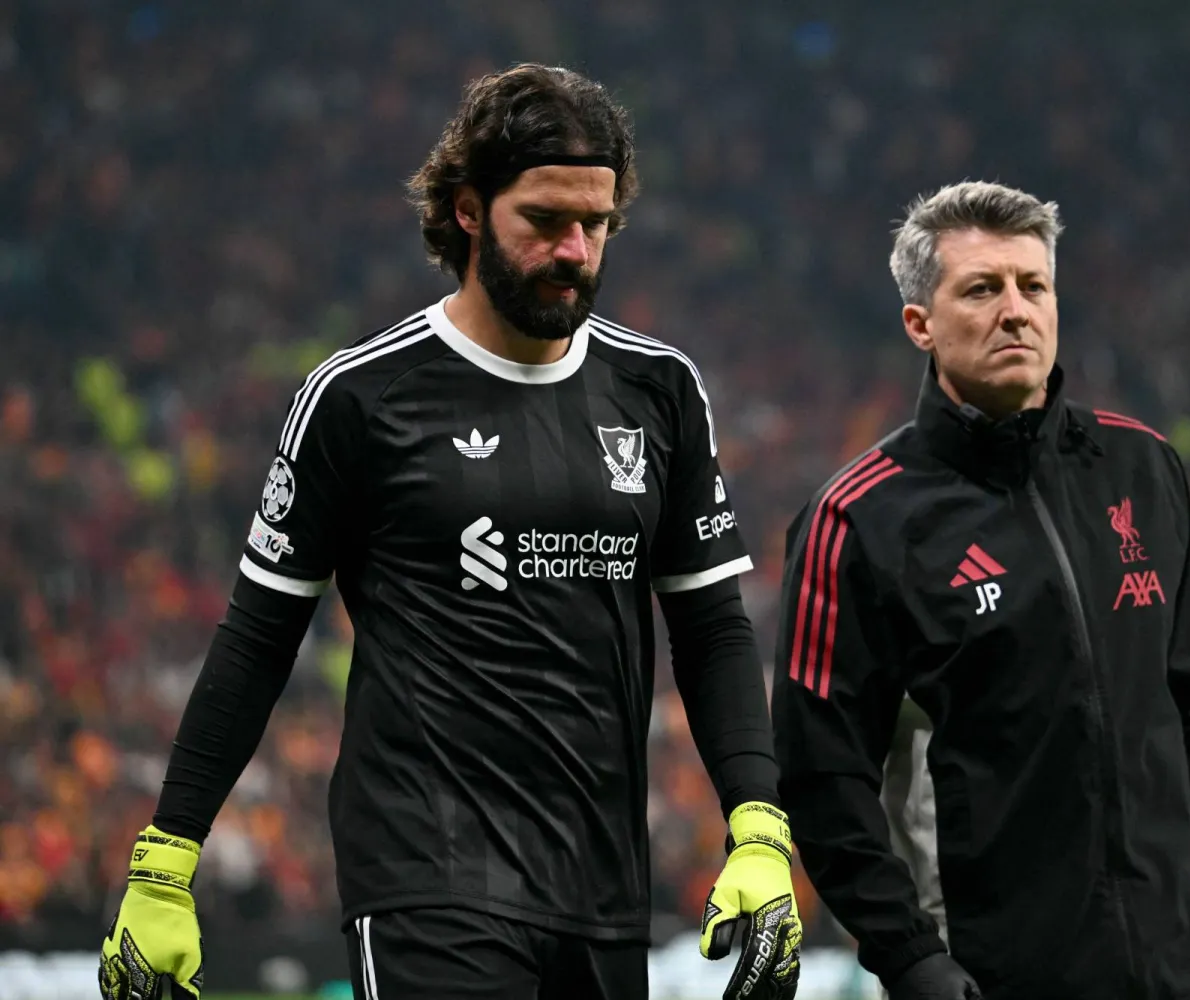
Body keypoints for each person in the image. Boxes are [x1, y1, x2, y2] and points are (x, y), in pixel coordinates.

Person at [97, 64, 801, 1000]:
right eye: (544, 221)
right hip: (426, 882)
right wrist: (165, 860)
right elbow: (259, 637)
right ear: (468, 211)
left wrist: (757, 824)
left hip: (602, 889)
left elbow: (712, 631)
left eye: (594, 225)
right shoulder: (360, 397)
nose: (574, 251)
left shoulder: (659, 390)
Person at [771, 181, 1190, 999]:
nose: (1016, 310)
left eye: (1034, 285)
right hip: (992, 975)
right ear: (920, 323)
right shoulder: (859, 520)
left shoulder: (1143, 467)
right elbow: (821, 776)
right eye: (982, 289)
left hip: (1177, 964)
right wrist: (909, 957)